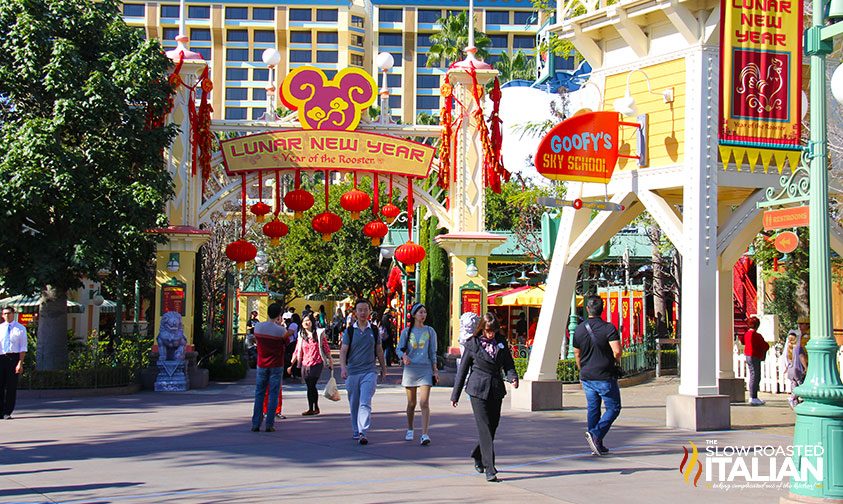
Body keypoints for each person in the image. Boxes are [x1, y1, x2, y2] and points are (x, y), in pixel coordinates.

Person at [451, 312, 519, 482]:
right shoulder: (472, 344)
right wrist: (455, 394)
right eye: (488, 331)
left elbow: (508, 364)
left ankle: (477, 453)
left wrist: (513, 377)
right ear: (482, 329)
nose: (491, 335)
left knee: (493, 426)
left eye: (494, 331)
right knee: (485, 427)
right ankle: (490, 468)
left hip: (495, 389)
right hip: (477, 389)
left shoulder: (501, 343)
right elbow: (463, 370)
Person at [573, 295, 622, 457]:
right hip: (604, 375)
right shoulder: (609, 328)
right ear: (602, 309)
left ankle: (595, 442)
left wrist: (581, 369)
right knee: (613, 407)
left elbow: (577, 353)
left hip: (587, 375)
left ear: (588, 309)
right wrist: (613, 362)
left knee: (593, 408)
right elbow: (617, 351)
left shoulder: (579, 329)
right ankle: (596, 434)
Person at [340, 298, 386, 445]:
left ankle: (363, 431)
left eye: (365, 309)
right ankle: (356, 429)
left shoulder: (373, 330)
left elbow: (379, 349)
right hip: (353, 371)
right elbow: (343, 351)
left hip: (369, 371)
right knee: (354, 402)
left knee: (365, 402)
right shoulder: (349, 331)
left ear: (369, 312)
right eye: (360, 310)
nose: (363, 313)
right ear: (355, 312)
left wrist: (383, 367)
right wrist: (343, 368)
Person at [397, 303, 439, 446]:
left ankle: (425, 434)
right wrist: (403, 356)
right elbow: (398, 349)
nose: (423, 315)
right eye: (420, 312)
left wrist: (435, 370)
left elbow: (433, 352)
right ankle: (410, 428)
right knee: (411, 403)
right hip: (410, 369)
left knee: (424, 402)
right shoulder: (406, 332)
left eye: (425, 312)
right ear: (414, 315)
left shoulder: (430, 331)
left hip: (425, 369)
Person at [251, 303, 287, 432]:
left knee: (259, 393)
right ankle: (269, 424)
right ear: (279, 315)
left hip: (262, 363)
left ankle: (256, 423)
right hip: (276, 364)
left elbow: (256, 340)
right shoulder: (281, 330)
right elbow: (286, 342)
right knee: (273, 394)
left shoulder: (258, 327)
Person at [289, 312, 333, 415]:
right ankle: (311, 408)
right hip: (305, 363)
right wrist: (291, 364)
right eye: (304, 321)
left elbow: (325, 347)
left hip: (317, 362)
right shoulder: (301, 335)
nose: (306, 323)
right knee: (309, 386)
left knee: (312, 384)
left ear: (312, 322)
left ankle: (315, 407)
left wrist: (330, 359)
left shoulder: (319, 333)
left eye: (308, 321)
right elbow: (297, 350)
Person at [1, 306, 27, 420]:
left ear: (13, 314)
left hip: (13, 358)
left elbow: (23, 347)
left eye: (9, 313)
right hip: (1, 357)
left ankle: (7, 411)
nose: (7, 315)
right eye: (4, 314)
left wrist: (20, 363)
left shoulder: (20, 328)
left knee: (11, 387)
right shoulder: (0, 328)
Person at [738, 316, 769, 406]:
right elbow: (764, 345)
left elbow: (743, 341)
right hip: (754, 356)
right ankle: (753, 397)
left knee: (752, 374)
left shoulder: (747, 334)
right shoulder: (756, 335)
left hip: (748, 355)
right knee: (755, 376)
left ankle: (753, 396)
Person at [785, 316, 810, 409]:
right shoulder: (803, 337)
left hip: (796, 365)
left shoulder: (801, 337)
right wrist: (806, 366)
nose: (800, 326)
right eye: (799, 324)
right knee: (800, 383)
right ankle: (793, 398)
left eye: (802, 324)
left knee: (795, 383)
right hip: (799, 365)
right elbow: (801, 353)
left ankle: (794, 399)